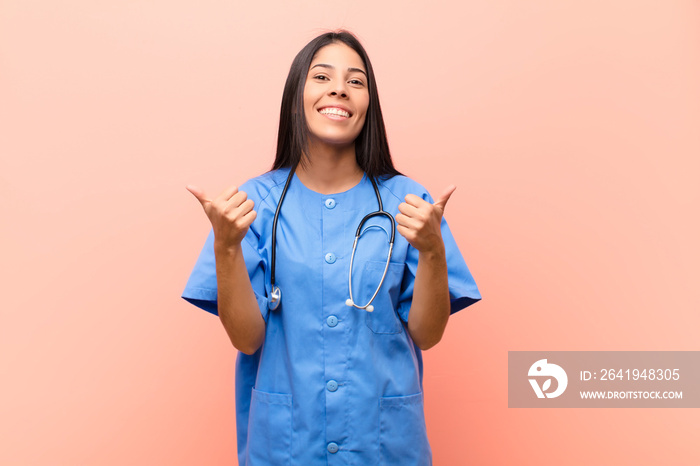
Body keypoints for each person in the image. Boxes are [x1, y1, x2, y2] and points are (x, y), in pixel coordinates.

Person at [181, 30, 481, 466]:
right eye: (322, 76)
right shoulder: (253, 207)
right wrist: (226, 248)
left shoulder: (408, 203)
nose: (340, 87)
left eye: (356, 81)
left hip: (384, 447)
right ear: (296, 96)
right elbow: (247, 339)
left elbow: (427, 335)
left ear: (368, 106)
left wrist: (433, 253)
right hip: (285, 447)